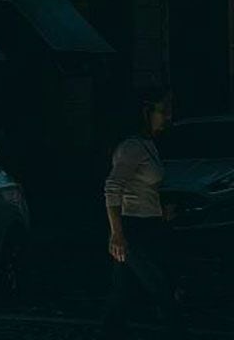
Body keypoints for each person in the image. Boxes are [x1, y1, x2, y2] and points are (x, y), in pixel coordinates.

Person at [101, 87, 179, 335]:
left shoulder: (148, 145)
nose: (167, 116)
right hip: (133, 228)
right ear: (146, 112)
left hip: (148, 224)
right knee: (159, 287)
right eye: (162, 110)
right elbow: (113, 187)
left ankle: (111, 333)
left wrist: (161, 208)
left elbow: (145, 186)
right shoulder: (132, 147)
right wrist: (117, 233)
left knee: (121, 294)